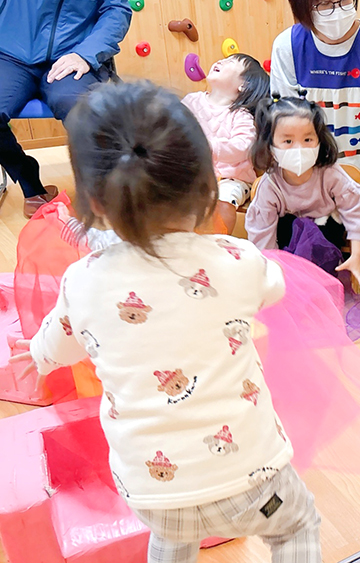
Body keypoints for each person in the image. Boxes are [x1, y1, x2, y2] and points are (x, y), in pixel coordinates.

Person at [12, 81, 322, 562]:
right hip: (253, 477)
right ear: (207, 187)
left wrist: (36, 356)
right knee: (297, 526)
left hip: (152, 490)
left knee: (172, 538)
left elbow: (58, 345)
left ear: (94, 202)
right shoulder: (235, 259)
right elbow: (274, 286)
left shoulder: (84, 281)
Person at [270, 0, 360, 212]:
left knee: (352, 226)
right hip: (313, 187)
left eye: (344, 1)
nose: (337, 10)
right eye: (324, 3)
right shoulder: (288, 47)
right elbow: (286, 127)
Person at [0, 0, 131, 218]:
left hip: (74, 53)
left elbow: (116, 9)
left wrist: (86, 53)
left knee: (78, 107)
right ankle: (28, 180)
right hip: (11, 54)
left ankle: (102, 188)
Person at [244, 95, 360, 287]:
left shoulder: (329, 173)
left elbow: (354, 208)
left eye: (307, 139)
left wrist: (357, 255)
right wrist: (270, 273)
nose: (299, 149)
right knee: (286, 228)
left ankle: (319, 280)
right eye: (288, 141)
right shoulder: (270, 184)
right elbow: (262, 232)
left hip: (326, 229)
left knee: (325, 231)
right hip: (288, 232)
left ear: (319, 140)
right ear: (270, 147)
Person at [181, 54, 270, 234]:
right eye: (223, 59)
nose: (220, 61)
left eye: (231, 62)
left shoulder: (241, 115)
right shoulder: (191, 101)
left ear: (244, 85)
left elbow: (243, 146)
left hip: (232, 178)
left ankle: (220, 239)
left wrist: (211, 147)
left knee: (225, 197)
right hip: (194, 174)